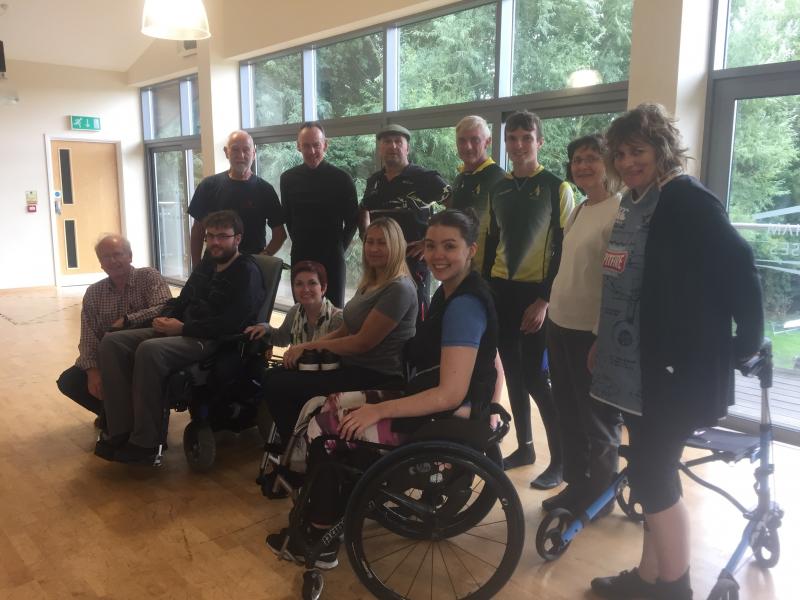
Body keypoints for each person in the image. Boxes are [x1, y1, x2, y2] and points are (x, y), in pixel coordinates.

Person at [588, 104, 763, 600]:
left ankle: (676, 589)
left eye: (637, 151)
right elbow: (630, 285)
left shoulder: (687, 200)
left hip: (679, 370)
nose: (626, 162)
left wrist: (743, 345)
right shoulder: (640, 203)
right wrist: (607, 339)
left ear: (662, 149)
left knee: (654, 474)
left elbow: (742, 264)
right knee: (648, 471)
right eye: (619, 154)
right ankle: (649, 578)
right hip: (644, 366)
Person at [265, 209, 498, 568]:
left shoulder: (463, 306)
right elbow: (493, 361)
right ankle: (318, 515)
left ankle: (322, 534)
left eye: (449, 246)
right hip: (423, 396)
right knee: (324, 410)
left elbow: (449, 395)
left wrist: (379, 409)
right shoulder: (449, 293)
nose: (438, 255)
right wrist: (487, 403)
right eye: (433, 245)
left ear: (471, 249)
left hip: (437, 412)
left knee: (330, 431)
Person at [95, 210, 266, 464]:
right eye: (210, 236)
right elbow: (184, 298)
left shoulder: (246, 272)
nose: (215, 242)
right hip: (181, 327)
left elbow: (233, 322)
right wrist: (166, 316)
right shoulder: (208, 263)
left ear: (237, 239)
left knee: (150, 350)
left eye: (222, 236)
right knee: (112, 342)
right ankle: (121, 429)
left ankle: (147, 443)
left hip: (211, 339)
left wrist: (183, 329)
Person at [262, 217, 417, 447]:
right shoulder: (370, 282)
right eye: (369, 241)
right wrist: (307, 347)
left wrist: (308, 346)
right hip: (352, 366)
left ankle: (297, 447)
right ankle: (297, 442)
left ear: (396, 246)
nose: (373, 248)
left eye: (382, 243)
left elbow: (362, 343)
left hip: (377, 374)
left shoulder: (399, 288)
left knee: (280, 384)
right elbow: (346, 329)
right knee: (274, 376)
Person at [488, 111, 574, 490]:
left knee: (538, 380)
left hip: (535, 295)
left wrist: (544, 301)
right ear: (505, 143)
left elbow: (565, 249)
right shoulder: (499, 188)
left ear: (540, 142)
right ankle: (524, 448)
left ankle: (561, 462)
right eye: (513, 138)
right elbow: (492, 242)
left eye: (527, 137)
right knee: (514, 377)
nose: (519, 145)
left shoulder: (558, 188)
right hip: (501, 292)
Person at [541, 134, 623, 512]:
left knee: (598, 419)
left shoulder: (620, 210)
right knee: (568, 412)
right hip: (560, 323)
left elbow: (618, 284)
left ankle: (600, 496)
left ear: (608, 162)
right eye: (577, 159)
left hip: (590, 332)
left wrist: (601, 337)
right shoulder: (581, 208)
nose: (584, 165)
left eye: (592, 158)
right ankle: (576, 486)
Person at [56, 234, 172, 427]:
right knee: (70, 381)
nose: (112, 261)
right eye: (105, 257)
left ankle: (137, 418)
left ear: (130, 256)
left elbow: (164, 307)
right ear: (100, 263)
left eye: (117, 254)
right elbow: (88, 336)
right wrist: (92, 372)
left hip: (143, 354)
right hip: (108, 358)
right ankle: (114, 416)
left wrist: (127, 320)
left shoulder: (148, 276)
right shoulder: (94, 293)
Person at [359, 123, 451, 321]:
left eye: (397, 142)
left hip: (413, 263)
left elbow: (457, 207)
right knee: (380, 316)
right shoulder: (374, 181)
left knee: (415, 317)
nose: (392, 146)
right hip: (380, 264)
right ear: (380, 148)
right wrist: (367, 237)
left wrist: (430, 241)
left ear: (407, 147)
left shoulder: (425, 178)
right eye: (387, 142)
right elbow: (364, 209)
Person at [280, 122, 359, 307]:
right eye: (306, 145)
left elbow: (353, 221)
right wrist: (301, 241)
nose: (312, 150)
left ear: (325, 145)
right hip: (301, 254)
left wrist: (339, 247)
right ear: (298, 146)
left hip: (332, 256)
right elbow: (288, 218)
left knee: (333, 311)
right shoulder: (288, 179)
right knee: (302, 308)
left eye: (316, 144)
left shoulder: (342, 179)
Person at [189, 130, 286, 266]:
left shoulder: (265, 190)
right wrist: (197, 266)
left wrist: (264, 256)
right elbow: (197, 230)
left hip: (250, 267)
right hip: (213, 267)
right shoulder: (208, 186)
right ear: (226, 152)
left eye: (246, 150)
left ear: (254, 153)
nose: (241, 155)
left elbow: (280, 234)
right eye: (235, 149)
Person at [449, 115, 506, 276]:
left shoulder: (499, 179)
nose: (467, 147)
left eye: (475, 140)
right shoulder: (461, 178)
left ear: (488, 142)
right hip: (459, 268)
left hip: (486, 274)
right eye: (462, 140)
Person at [244, 260, 343, 348]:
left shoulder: (338, 319)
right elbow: (282, 338)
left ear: (323, 288)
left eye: (312, 283)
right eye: (299, 284)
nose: (305, 289)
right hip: (297, 367)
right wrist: (265, 329)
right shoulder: (295, 311)